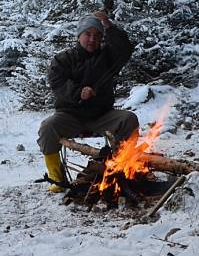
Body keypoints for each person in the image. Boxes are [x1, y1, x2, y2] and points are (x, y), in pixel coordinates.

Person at [38, 11, 139, 192]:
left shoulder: (108, 57)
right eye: (88, 34)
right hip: (70, 116)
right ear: (79, 35)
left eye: (97, 35)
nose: (92, 39)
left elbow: (125, 49)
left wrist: (109, 26)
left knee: (129, 119)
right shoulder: (62, 59)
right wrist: (78, 92)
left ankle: (120, 167)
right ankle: (57, 178)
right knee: (47, 128)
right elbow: (57, 84)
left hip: (102, 115)